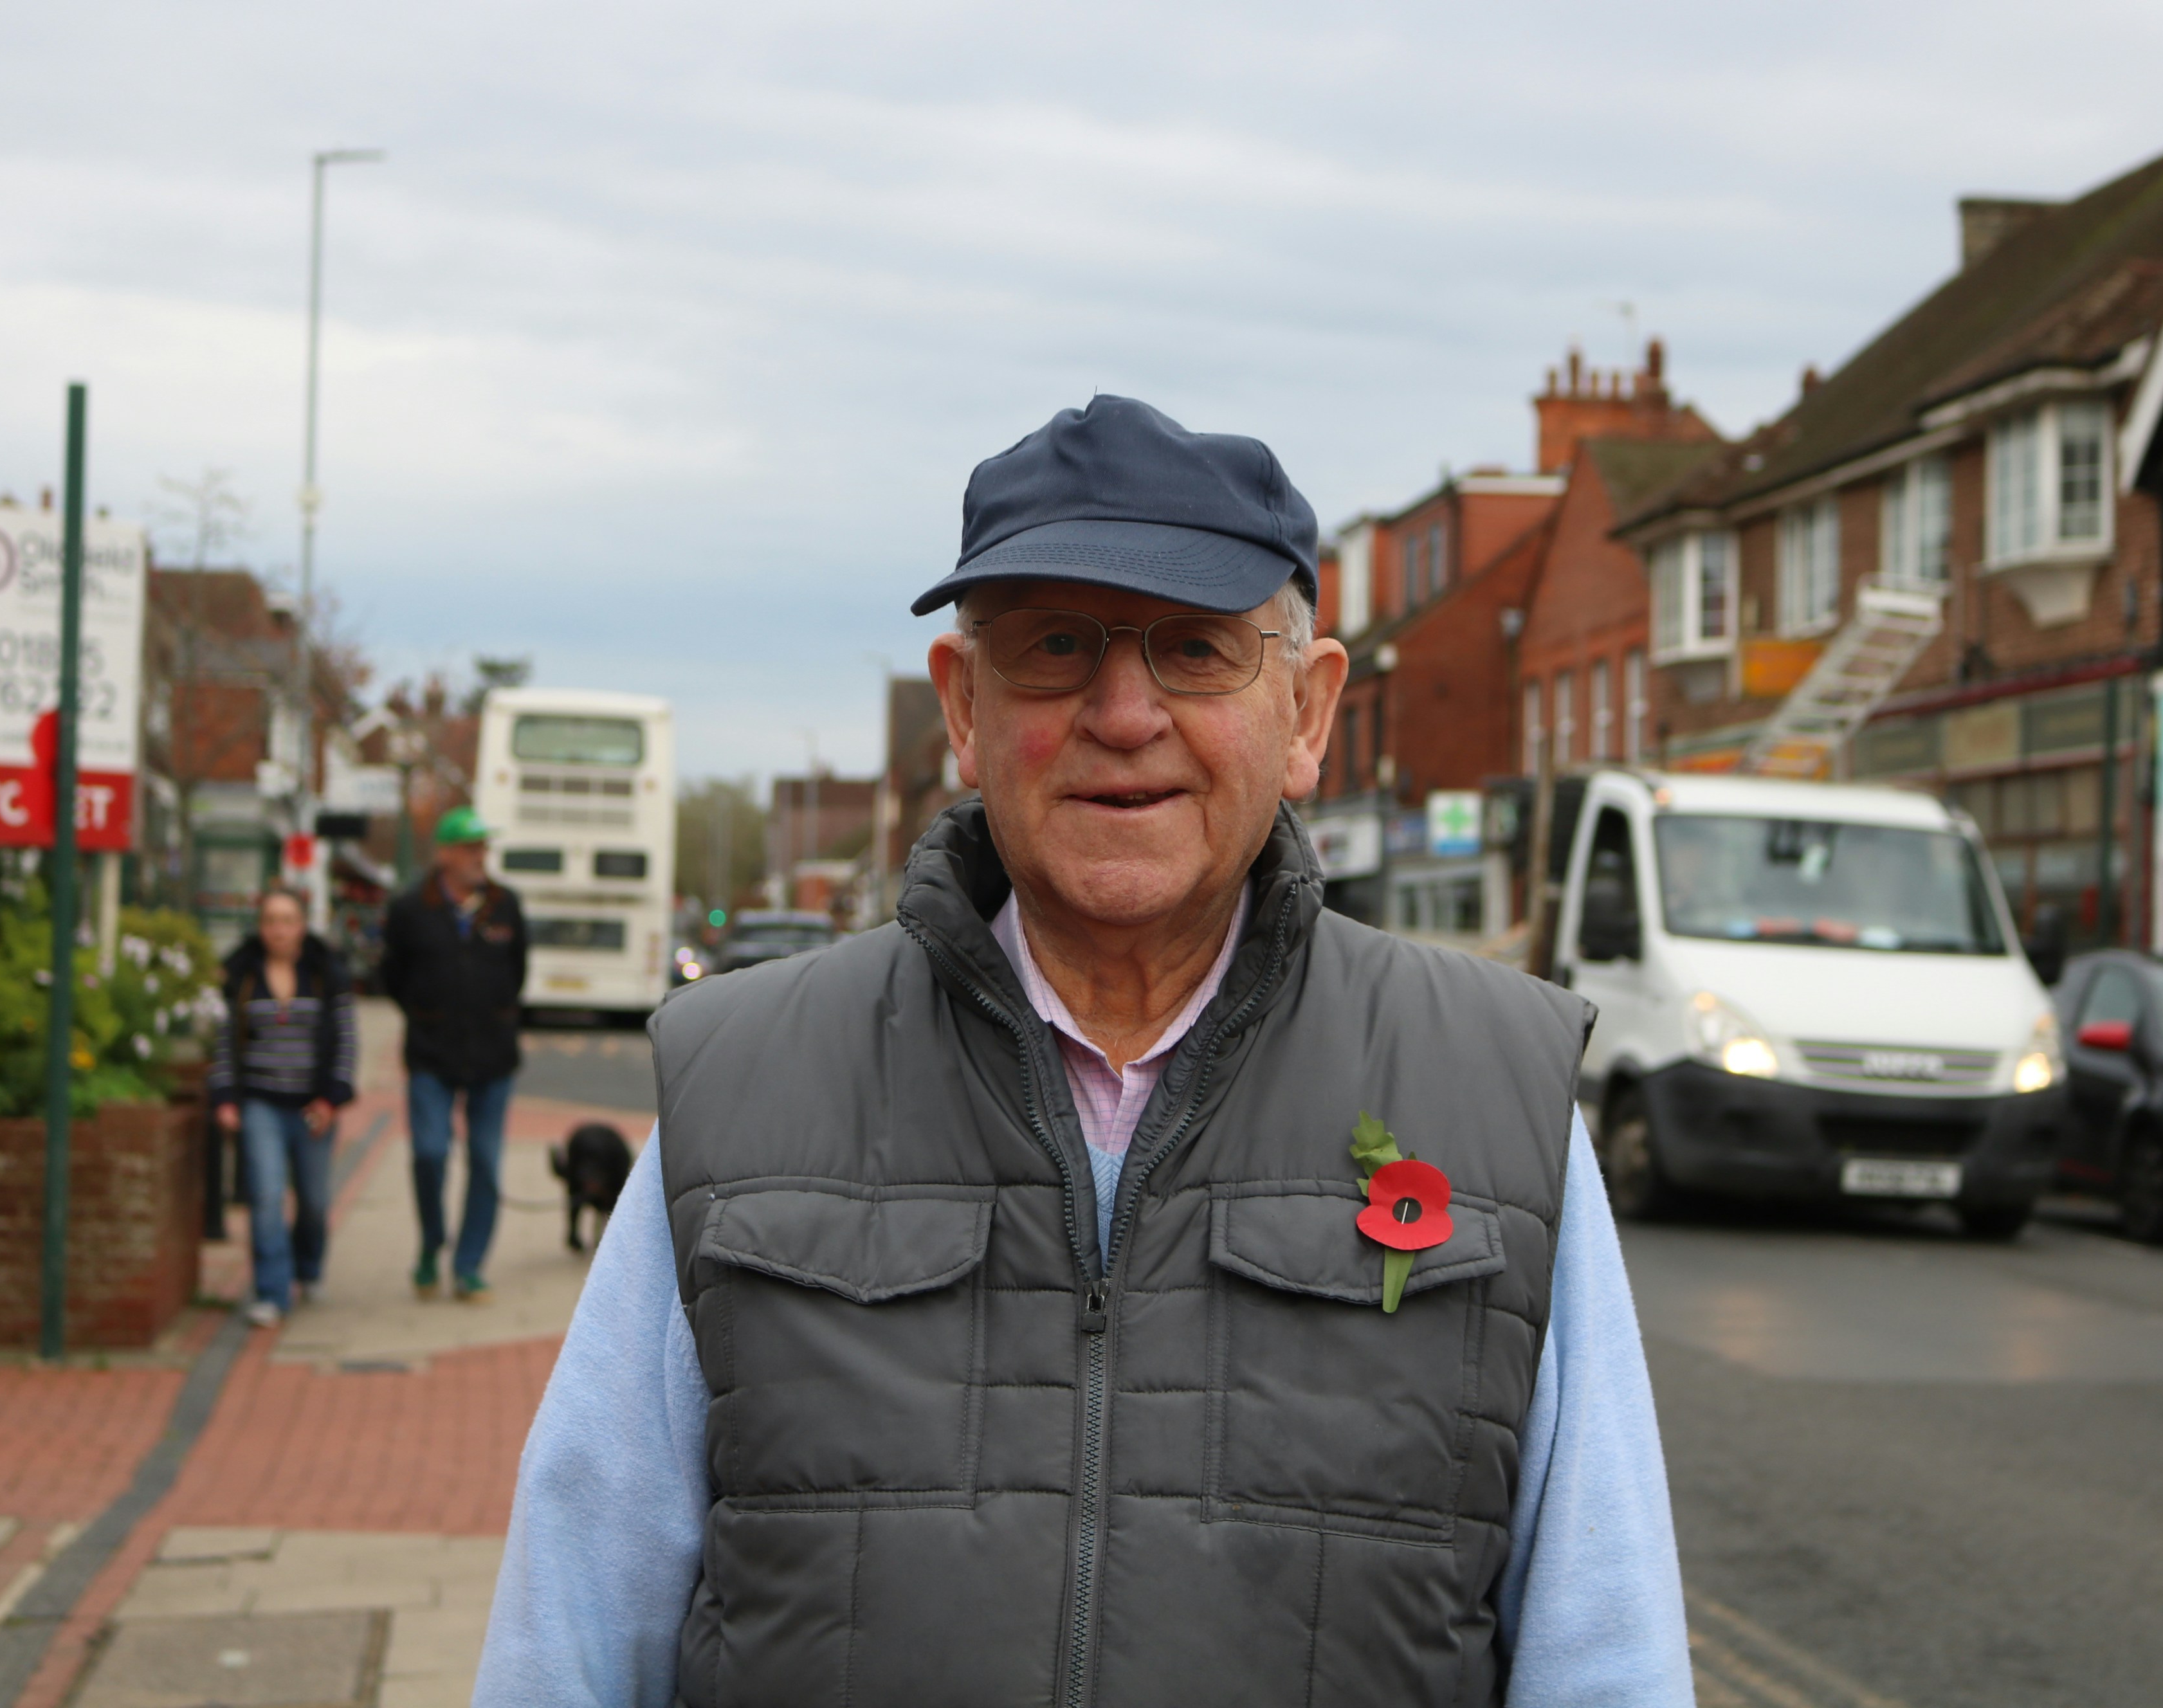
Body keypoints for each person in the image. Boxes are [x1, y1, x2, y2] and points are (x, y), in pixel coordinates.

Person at [477, 397, 1693, 1705]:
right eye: (1056, 646)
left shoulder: (1498, 1095)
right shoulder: (738, 1091)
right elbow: (568, 1643)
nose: (1125, 711)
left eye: (1195, 648)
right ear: (965, 707)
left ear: (1308, 712)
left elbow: (1607, 1660)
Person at [383, 804, 527, 1302]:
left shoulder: (506, 905)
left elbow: (518, 974)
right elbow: (392, 978)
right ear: (444, 854)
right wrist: (428, 1016)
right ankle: (430, 1244)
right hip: (431, 1054)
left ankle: (468, 1267)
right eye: (469, 848)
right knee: (429, 1154)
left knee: (485, 1162)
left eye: (483, 847)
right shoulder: (409, 909)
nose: (479, 857)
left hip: (493, 1057)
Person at [209, 886, 358, 1329]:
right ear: (261, 927)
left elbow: (347, 1040)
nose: (279, 929)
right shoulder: (240, 975)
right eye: (271, 920)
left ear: (302, 924)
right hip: (260, 1104)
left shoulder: (327, 972)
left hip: (313, 1106)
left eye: (288, 920)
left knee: (313, 1201)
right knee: (267, 1197)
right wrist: (226, 1099)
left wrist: (332, 1098)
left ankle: (308, 1268)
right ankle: (272, 1291)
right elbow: (222, 1042)